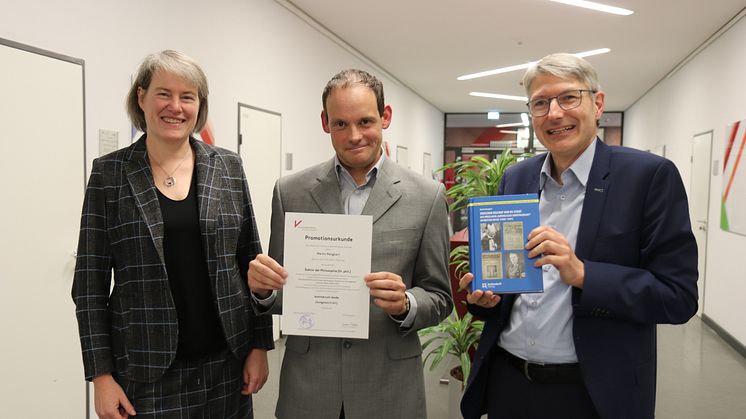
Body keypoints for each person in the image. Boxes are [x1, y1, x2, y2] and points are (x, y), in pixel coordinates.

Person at [459, 53, 698, 419]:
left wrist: (583, 274)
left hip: (592, 392)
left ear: (597, 104)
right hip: (508, 384)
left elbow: (678, 297)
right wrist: (485, 297)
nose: (554, 113)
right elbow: (506, 293)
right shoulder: (516, 179)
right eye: (540, 103)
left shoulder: (648, 177)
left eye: (568, 97)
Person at [71, 50, 273, 419]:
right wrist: (100, 376)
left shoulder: (227, 167)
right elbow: (89, 285)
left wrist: (259, 345)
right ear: (142, 97)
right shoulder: (110, 174)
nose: (175, 107)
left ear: (200, 105)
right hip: (145, 372)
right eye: (164, 93)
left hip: (226, 364)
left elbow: (251, 261)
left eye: (188, 96)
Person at [247, 69, 453, 419]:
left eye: (365, 121)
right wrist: (263, 291)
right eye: (341, 124)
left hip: (388, 387)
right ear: (325, 123)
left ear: (385, 117)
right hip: (310, 388)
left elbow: (440, 296)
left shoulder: (427, 196)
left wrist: (405, 303)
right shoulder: (290, 191)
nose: (354, 135)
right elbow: (284, 292)